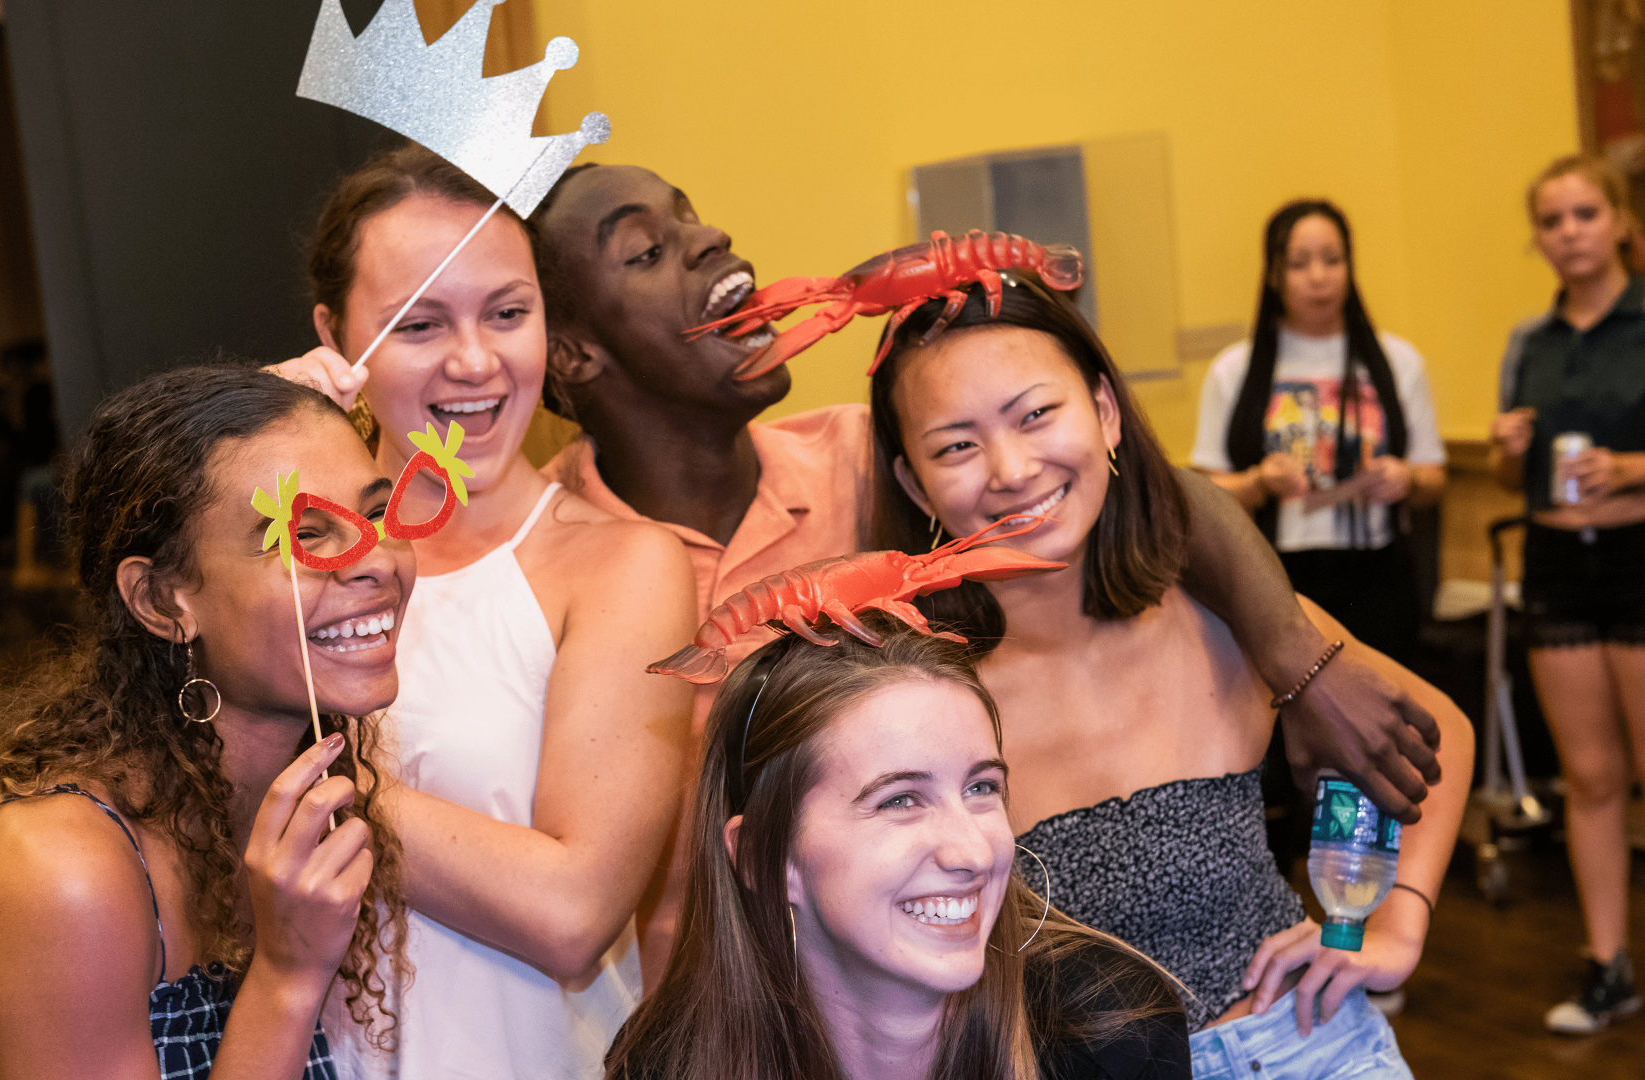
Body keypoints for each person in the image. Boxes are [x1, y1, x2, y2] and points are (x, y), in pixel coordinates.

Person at [485, 163, 1442, 986]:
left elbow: (1148, 494)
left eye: (690, 211)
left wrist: (1297, 656)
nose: (708, 237)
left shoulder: (866, 453)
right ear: (569, 350)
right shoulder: (548, 557)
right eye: (646, 250)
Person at [868, 274, 1471, 1078]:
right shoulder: (925, 700)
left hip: (1311, 1046)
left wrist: (1396, 919)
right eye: (956, 445)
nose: (1011, 468)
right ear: (914, 483)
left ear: (1106, 413)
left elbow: (1441, 730)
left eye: (1037, 414)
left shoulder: (1222, 623)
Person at [278, 144, 696, 1079]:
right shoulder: (282, 561)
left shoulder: (622, 567)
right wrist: (253, 476)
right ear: (336, 338)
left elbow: (572, 916)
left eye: (508, 314)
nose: (476, 361)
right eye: (419, 325)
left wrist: (292, 776)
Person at [0, 365, 401, 1075]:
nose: (376, 561)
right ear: (160, 602)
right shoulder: (62, 869)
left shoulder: (298, 795)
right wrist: (288, 978)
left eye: (380, 513)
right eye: (301, 533)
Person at [614, 618, 1189, 1080]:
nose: (973, 853)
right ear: (765, 858)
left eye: (981, 788)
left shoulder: (1110, 1032)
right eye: (900, 801)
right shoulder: (665, 1063)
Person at [1489, 152, 1645, 1034]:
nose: (1569, 233)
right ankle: (1606, 967)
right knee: (1589, 778)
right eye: (1552, 221)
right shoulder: (1530, 342)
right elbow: (1524, 478)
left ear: (1620, 220)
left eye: (1586, 214)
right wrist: (1512, 451)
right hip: (1557, 566)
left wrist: (1629, 467)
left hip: (1638, 559)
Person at [1192, 201, 1446, 664]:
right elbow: (1204, 495)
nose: (1318, 276)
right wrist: (1257, 482)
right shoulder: (1234, 370)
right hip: (1273, 577)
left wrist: (1406, 479)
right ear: (1273, 274)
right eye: (1299, 263)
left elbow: (1433, 479)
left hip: (1377, 571)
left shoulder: (1398, 361)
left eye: (1333, 259)